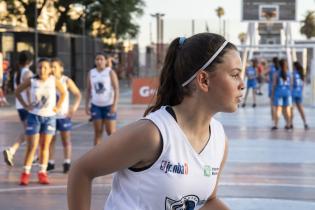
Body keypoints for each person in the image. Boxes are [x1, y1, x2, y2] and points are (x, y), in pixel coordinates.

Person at [68, 33, 244, 210]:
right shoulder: (152, 134)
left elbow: (208, 201)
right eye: (235, 75)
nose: (242, 84)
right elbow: (81, 171)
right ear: (203, 80)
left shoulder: (219, 139)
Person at [15, 58, 66, 185]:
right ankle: (25, 173)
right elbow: (17, 92)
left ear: (50, 70)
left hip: (49, 118)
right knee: (32, 146)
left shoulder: (53, 80)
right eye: (39, 67)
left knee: (45, 147)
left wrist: (57, 107)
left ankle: (42, 173)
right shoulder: (32, 81)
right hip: (34, 117)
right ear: (36, 69)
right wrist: (26, 105)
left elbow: (64, 93)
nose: (42, 70)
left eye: (45, 67)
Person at [47, 58, 81, 173]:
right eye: (51, 66)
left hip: (63, 116)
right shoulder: (47, 80)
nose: (52, 69)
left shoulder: (66, 80)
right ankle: (50, 162)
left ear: (61, 68)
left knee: (65, 140)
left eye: (55, 67)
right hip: (50, 116)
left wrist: (73, 108)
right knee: (50, 141)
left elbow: (77, 94)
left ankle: (67, 162)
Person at [3, 51, 33, 166]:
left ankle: (14, 151)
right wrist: (30, 104)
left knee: (29, 131)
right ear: (29, 61)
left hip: (20, 106)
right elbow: (30, 91)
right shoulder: (28, 74)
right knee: (31, 131)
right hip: (27, 106)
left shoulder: (17, 73)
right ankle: (12, 150)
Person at [85, 53, 119, 145]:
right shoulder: (91, 73)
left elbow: (116, 89)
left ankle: (114, 154)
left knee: (111, 132)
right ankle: (97, 156)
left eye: (101, 59)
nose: (99, 61)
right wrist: (86, 105)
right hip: (96, 106)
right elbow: (88, 90)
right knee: (98, 132)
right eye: (97, 59)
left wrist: (114, 105)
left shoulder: (110, 72)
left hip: (109, 105)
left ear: (105, 61)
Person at [271, 58, 292, 130]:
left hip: (279, 92)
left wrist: (272, 94)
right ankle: (288, 124)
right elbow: (291, 84)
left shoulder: (276, 73)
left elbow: (274, 84)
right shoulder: (288, 73)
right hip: (287, 93)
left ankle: (276, 125)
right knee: (287, 109)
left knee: (278, 109)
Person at [291, 61, 309, 129]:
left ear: (295, 67)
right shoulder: (302, 75)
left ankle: (290, 123)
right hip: (299, 93)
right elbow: (303, 85)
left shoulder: (293, 74)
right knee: (301, 109)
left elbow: (292, 84)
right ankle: (305, 123)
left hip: (293, 93)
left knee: (292, 109)